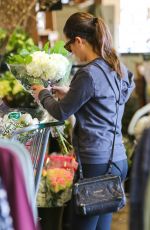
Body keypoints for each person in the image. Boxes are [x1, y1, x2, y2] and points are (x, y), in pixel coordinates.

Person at [32, 12, 135, 230]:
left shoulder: (88, 73)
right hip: (117, 160)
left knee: (82, 226)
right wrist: (71, 92)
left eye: (70, 47)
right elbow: (107, 101)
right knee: (101, 226)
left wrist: (42, 93)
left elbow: (60, 113)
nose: (71, 53)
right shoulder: (117, 67)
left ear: (78, 40)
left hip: (96, 163)